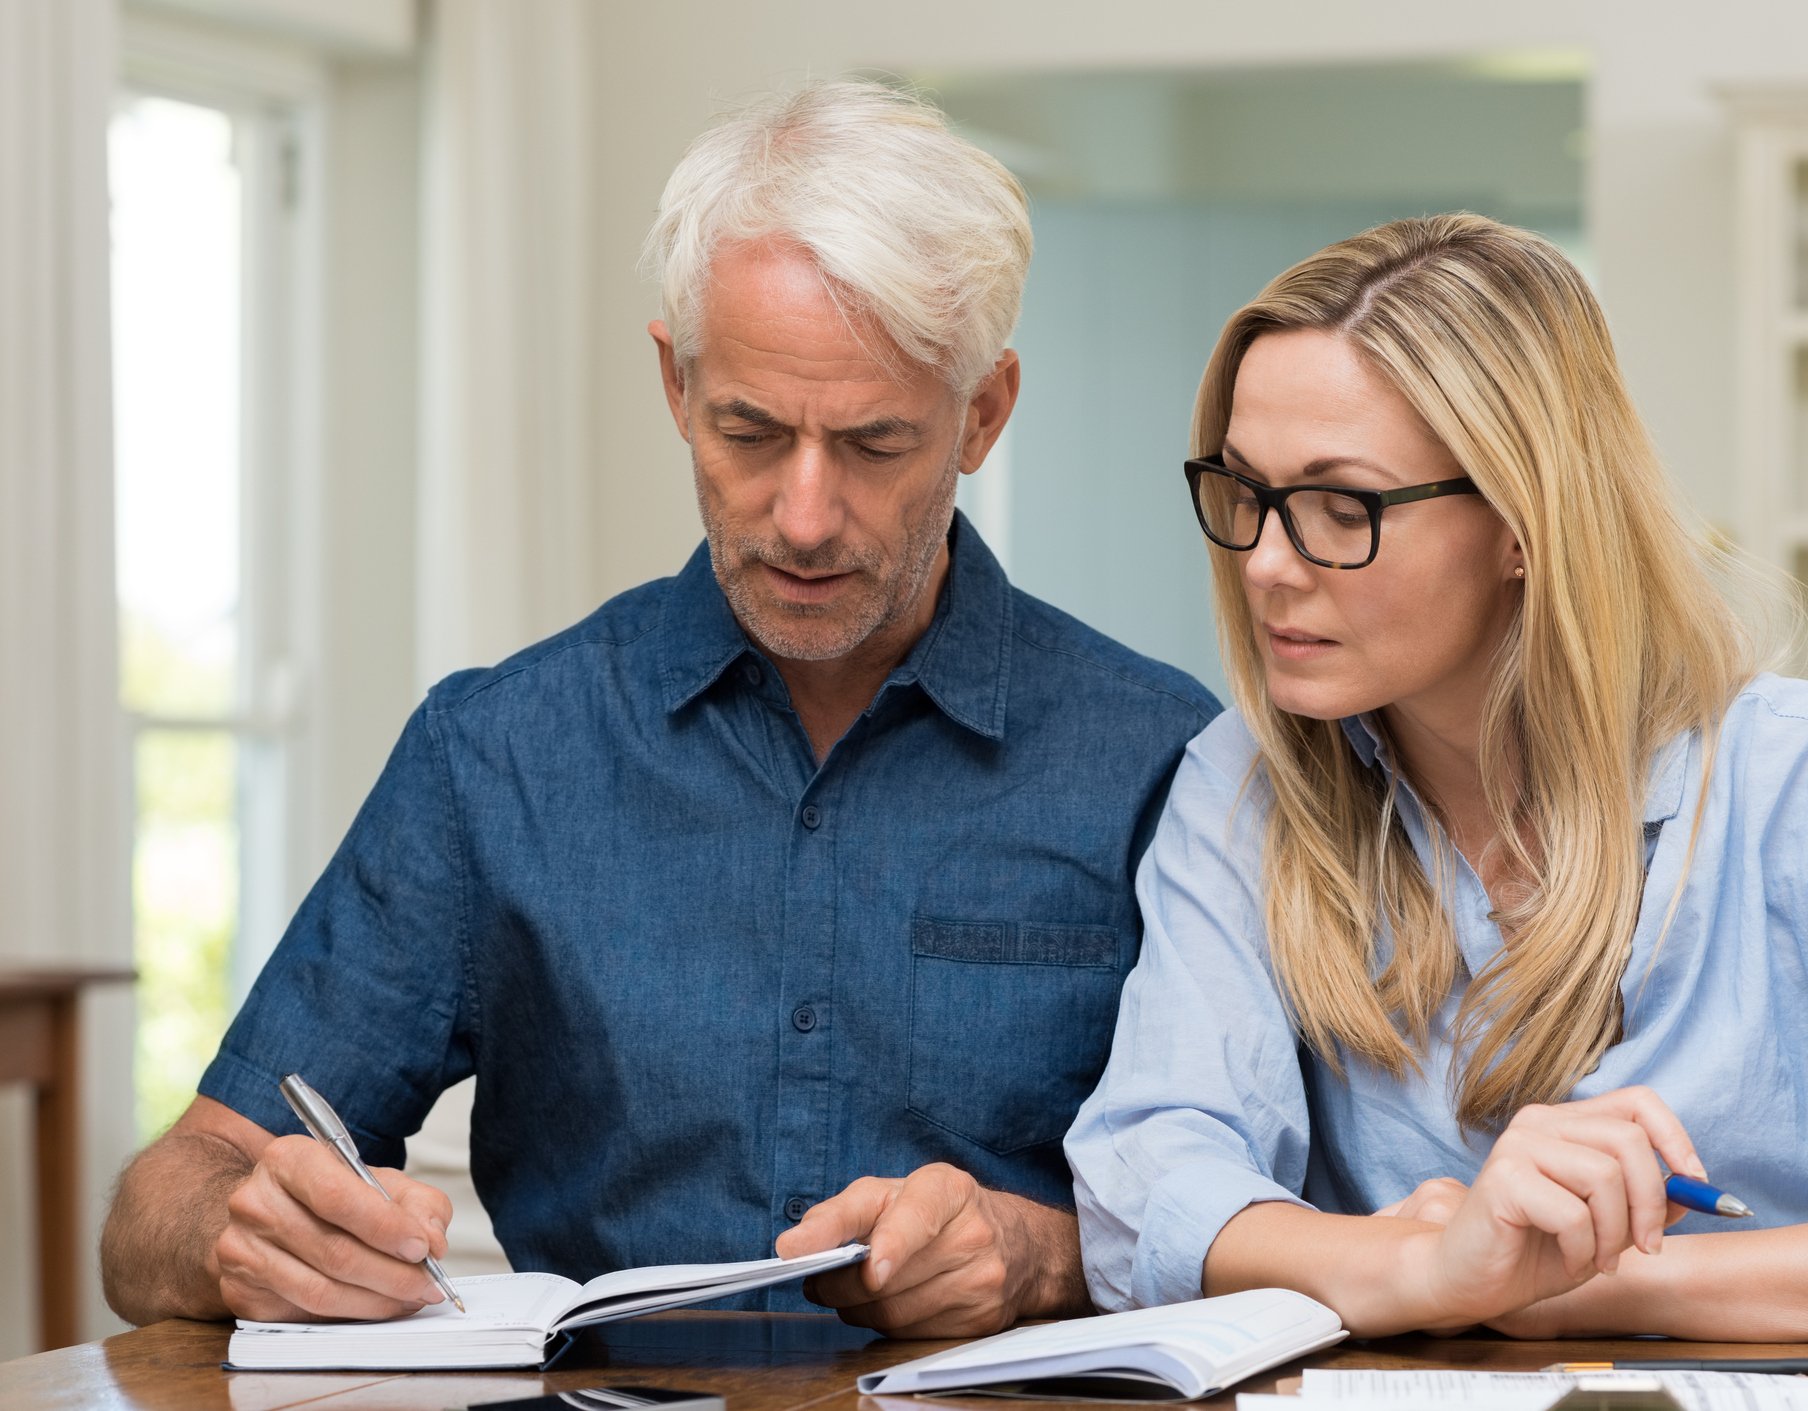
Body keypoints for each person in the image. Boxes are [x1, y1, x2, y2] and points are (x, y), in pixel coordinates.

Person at [99, 79, 1218, 1338]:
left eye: (871, 444)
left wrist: (1044, 1256)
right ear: (677, 386)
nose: (801, 516)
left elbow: (1290, 1215)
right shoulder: (497, 754)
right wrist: (240, 1237)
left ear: (985, 413)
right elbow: (161, 1206)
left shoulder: (1161, 759)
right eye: (749, 430)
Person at [1066, 213, 1808, 1346]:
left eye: (1343, 508)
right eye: (1245, 493)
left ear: (1523, 522)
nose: (1267, 563)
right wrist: (1429, 1266)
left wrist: (1570, 1284)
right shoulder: (1245, 783)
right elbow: (1139, 1194)